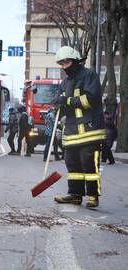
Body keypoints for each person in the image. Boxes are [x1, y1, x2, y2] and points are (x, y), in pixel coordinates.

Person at [52, 46, 105, 208]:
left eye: (66, 62)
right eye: (61, 63)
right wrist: (57, 107)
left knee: (88, 163)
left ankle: (93, 196)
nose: (64, 66)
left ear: (76, 61)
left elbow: (91, 99)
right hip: (72, 132)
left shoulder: (89, 76)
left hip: (90, 131)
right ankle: (75, 195)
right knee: (72, 164)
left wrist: (67, 101)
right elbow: (62, 104)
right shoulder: (65, 82)